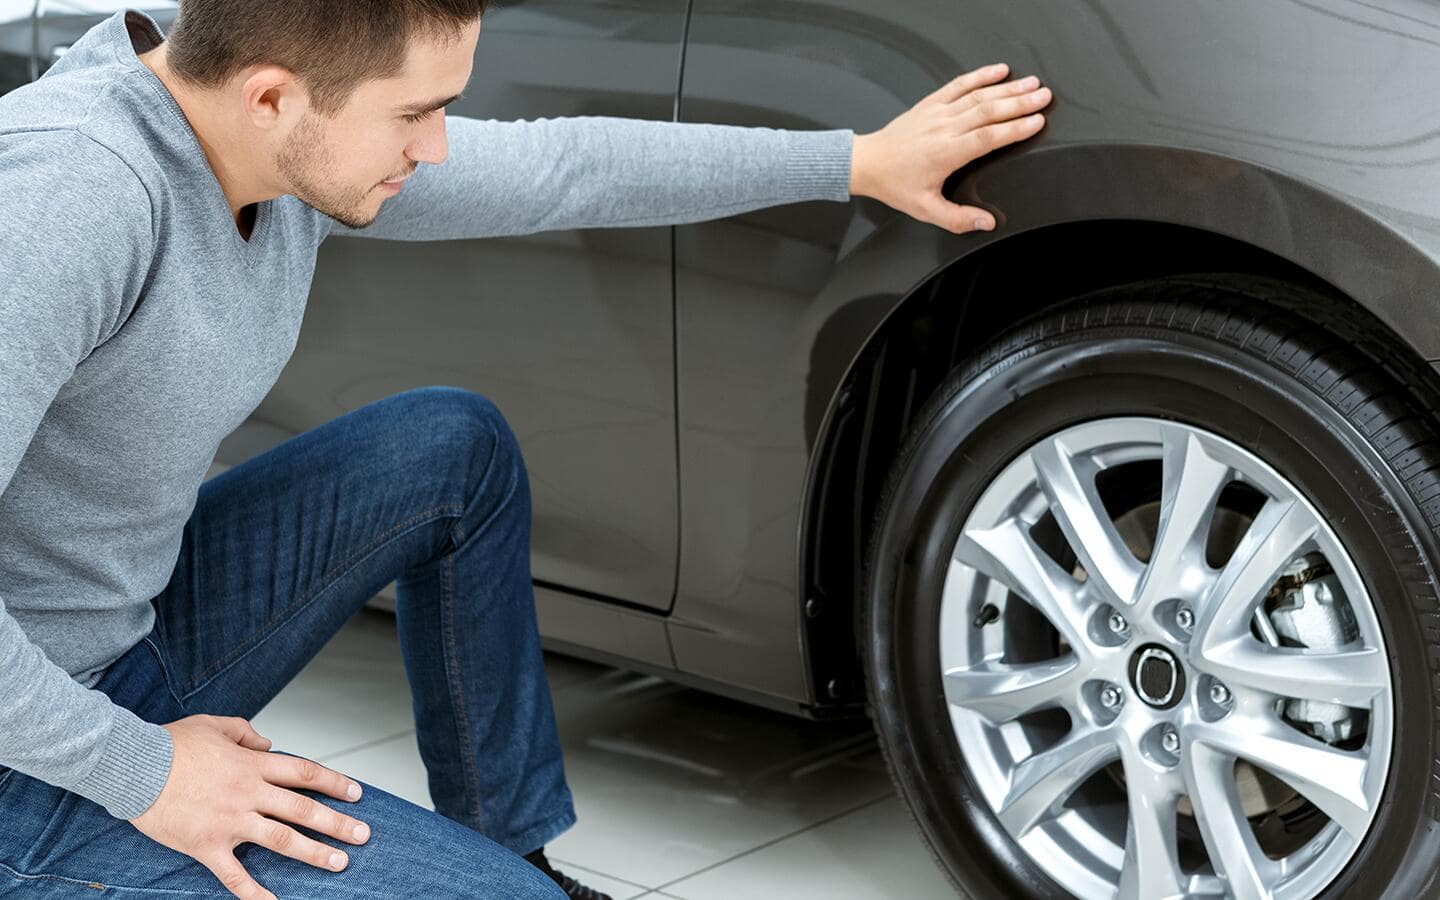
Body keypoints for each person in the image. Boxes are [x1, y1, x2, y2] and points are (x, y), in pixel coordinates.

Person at [0, 2, 1051, 898]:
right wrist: (146, 775)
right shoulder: (69, 199)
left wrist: (859, 161)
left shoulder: (258, 133)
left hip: (118, 642)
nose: (439, 148)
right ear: (271, 97)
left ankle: (513, 847)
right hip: (28, 762)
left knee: (451, 446)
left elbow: (560, 168)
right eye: (415, 114)